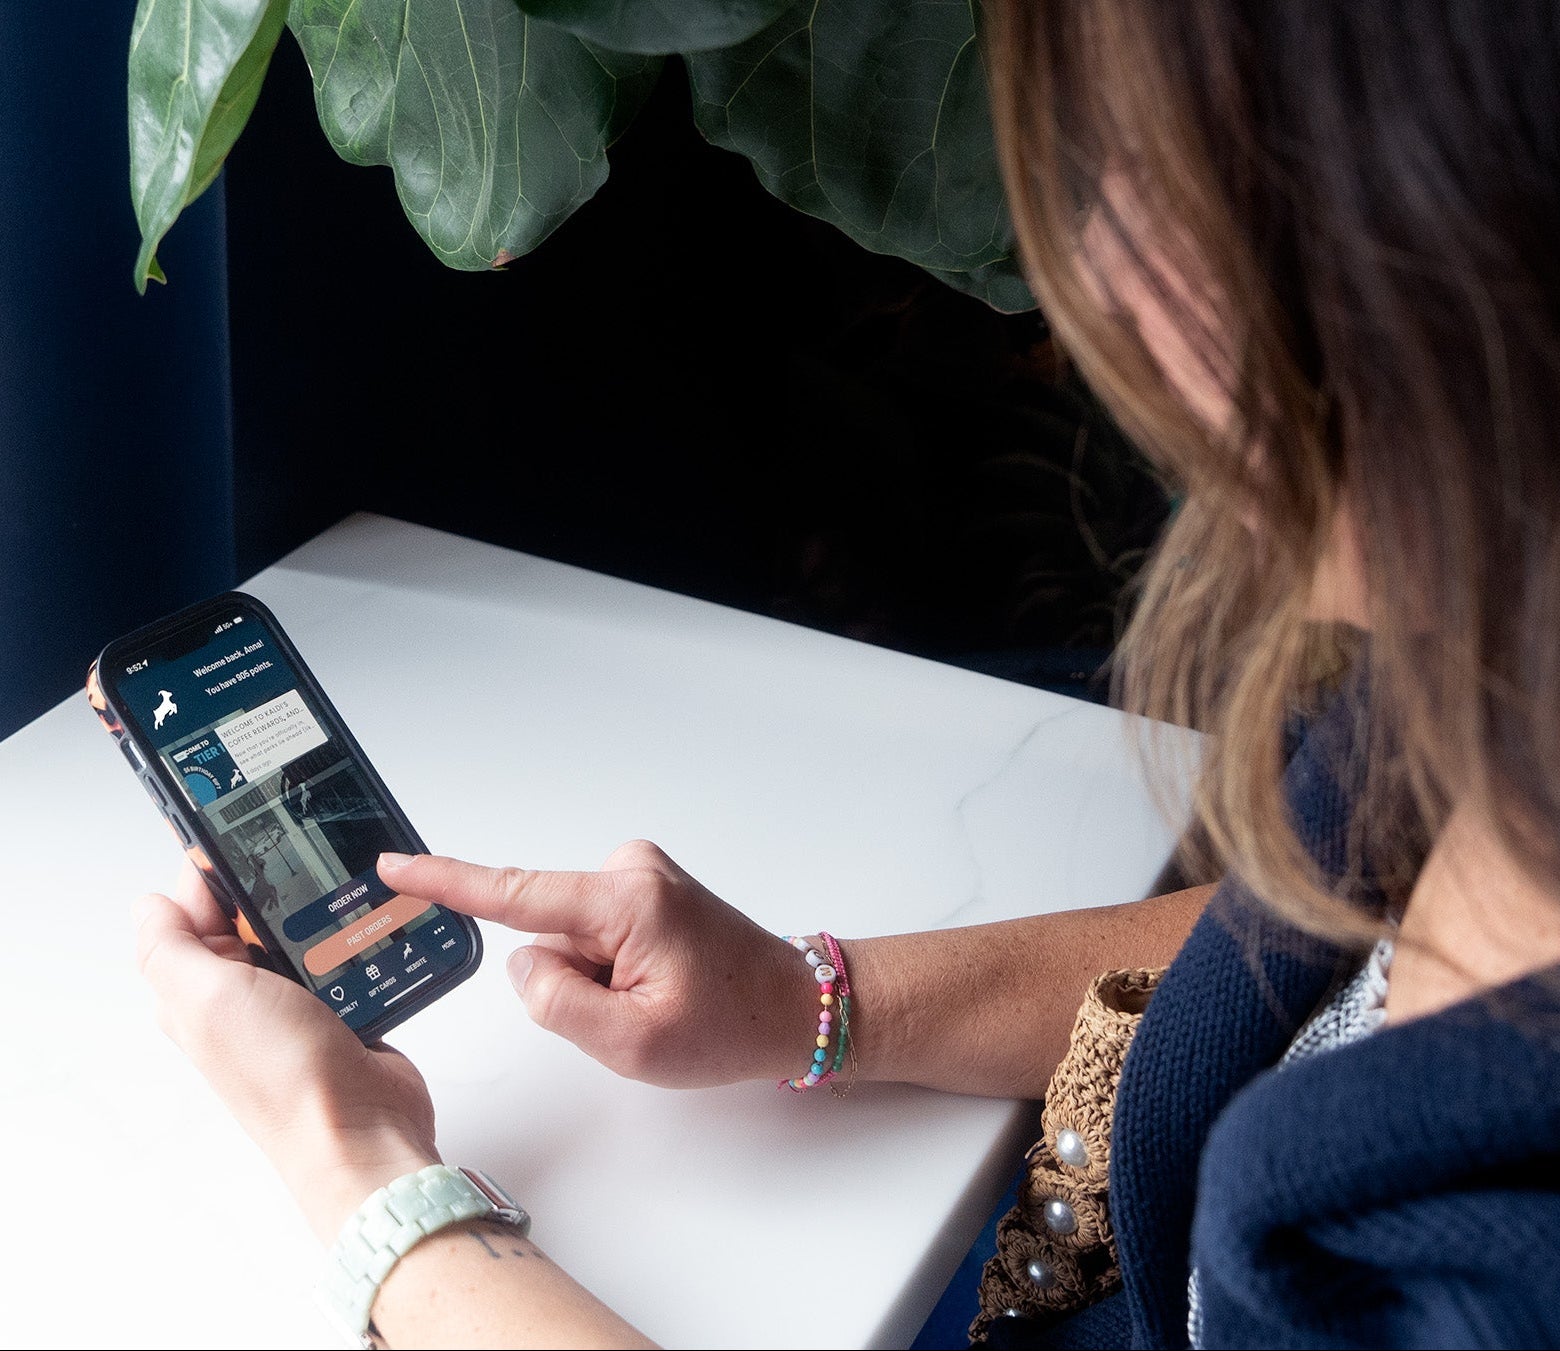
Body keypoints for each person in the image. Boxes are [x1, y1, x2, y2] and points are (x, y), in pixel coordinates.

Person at [131, 2, 1560, 1347]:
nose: (1098, 256)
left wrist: (362, 1175)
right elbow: (1325, 960)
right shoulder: (1494, 647)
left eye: (1177, 169)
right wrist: (814, 1001)